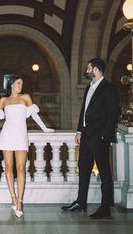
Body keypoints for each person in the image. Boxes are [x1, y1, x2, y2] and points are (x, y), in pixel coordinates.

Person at [0, 74, 54, 218]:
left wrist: (45, 128)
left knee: (21, 168)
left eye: (21, 84)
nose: (20, 86)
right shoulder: (4, 100)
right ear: (11, 85)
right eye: (18, 83)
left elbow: (34, 115)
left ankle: (20, 201)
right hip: (7, 135)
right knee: (8, 167)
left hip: (21, 135)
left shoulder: (26, 98)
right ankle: (12, 197)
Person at [61, 58, 120, 219]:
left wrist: (103, 134)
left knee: (105, 173)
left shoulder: (109, 88)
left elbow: (113, 113)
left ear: (96, 69)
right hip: (86, 136)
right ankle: (81, 202)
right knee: (84, 170)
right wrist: (79, 131)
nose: (86, 70)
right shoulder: (89, 87)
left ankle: (105, 207)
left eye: (89, 68)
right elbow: (84, 111)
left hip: (99, 137)